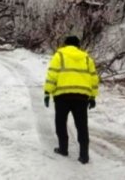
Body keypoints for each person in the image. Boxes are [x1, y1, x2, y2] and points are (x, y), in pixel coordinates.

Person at [43, 35, 99, 164]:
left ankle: (63, 149)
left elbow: (52, 75)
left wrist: (47, 92)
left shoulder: (59, 56)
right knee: (82, 126)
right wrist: (93, 96)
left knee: (61, 123)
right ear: (78, 46)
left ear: (65, 44)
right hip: (81, 97)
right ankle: (84, 156)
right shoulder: (86, 58)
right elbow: (93, 78)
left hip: (62, 96)